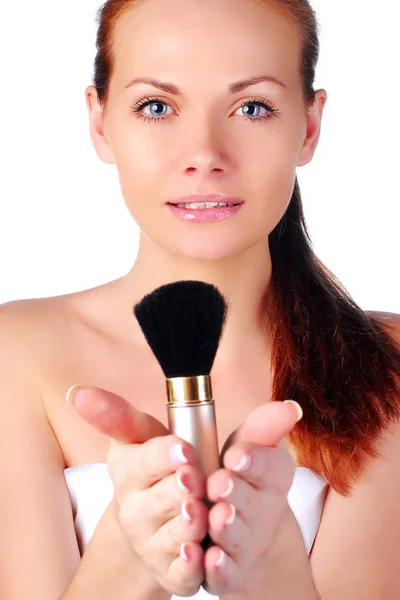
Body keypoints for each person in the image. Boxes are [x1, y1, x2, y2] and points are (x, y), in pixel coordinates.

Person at [1, 0, 400, 598]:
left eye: (253, 107)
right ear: (100, 122)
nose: (205, 155)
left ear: (310, 126)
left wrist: (272, 572)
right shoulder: (17, 353)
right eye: (156, 106)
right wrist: (126, 557)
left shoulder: (386, 363)